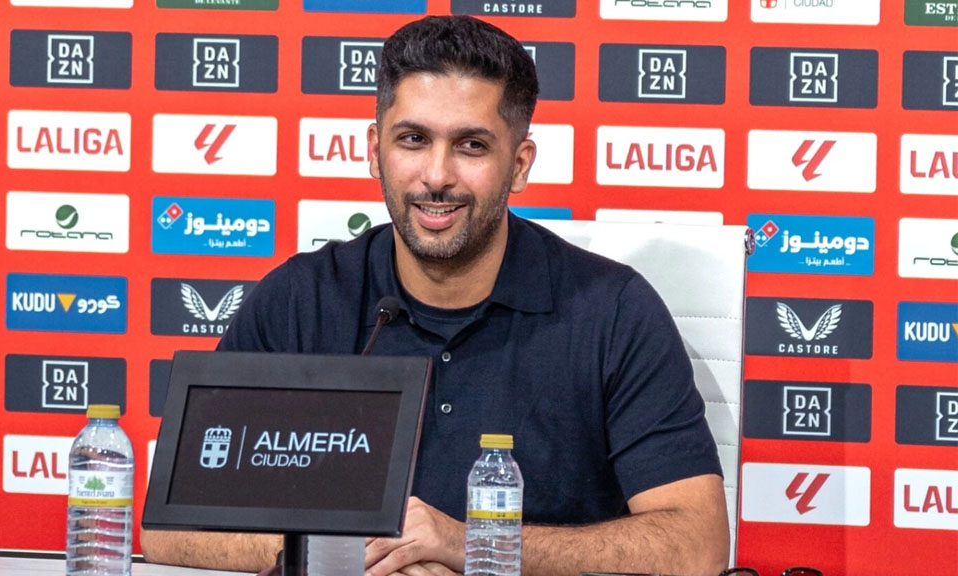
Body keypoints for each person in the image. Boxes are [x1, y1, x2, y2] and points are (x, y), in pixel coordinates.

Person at [141, 14, 729, 576]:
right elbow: (167, 528)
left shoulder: (614, 311)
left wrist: (469, 544)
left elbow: (697, 545)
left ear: (519, 164)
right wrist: (348, 549)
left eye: (471, 145)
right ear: (375, 150)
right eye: (413, 139)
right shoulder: (300, 299)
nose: (437, 175)